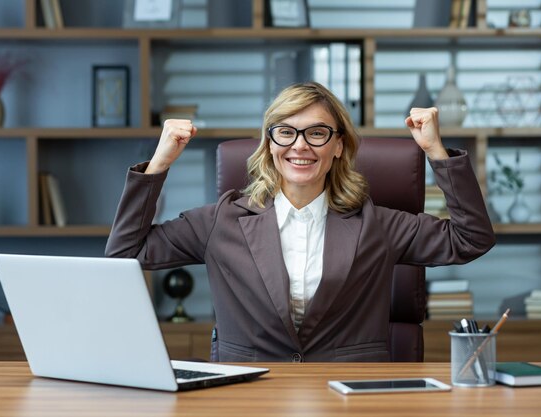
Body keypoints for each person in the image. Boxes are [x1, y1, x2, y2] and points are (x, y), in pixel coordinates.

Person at [106, 82, 495, 362]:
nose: (300, 145)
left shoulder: (376, 224)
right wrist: (158, 165)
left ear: (338, 145)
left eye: (317, 133)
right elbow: (127, 250)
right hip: (249, 396)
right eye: (286, 132)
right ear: (270, 143)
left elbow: (471, 238)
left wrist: (436, 152)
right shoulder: (222, 219)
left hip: (349, 397)